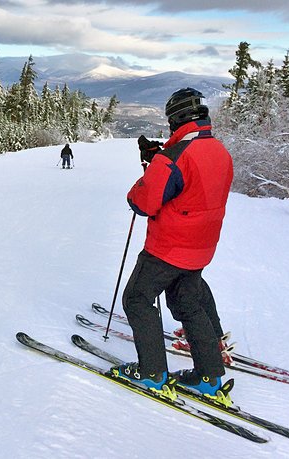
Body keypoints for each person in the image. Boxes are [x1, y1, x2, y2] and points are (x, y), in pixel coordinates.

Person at [110, 88, 234, 402]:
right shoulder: (219, 150)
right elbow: (190, 180)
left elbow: (144, 202)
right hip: (201, 248)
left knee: (137, 299)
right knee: (189, 305)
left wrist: (154, 167)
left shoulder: (173, 157)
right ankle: (209, 376)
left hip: (167, 248)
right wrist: (159, 158)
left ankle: (152, 372)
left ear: (176, 118)